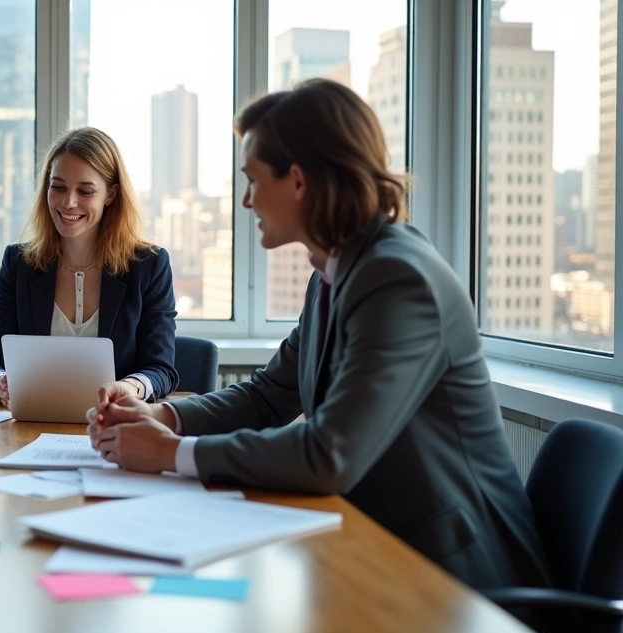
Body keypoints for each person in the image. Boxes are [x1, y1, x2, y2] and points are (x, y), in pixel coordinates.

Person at [88, 79, 551, 592]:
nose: (246, 201)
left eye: (253, 180)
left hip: (456, 576)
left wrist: (170, 453)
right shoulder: (333, 273)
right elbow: (270, 396)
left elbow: (330, 454)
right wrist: (163, 416)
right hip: (372, 546)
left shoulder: (399, 278)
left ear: (299, 182)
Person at [0, 127, 178, 407]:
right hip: (33, 424)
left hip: (115, 424)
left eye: (85, 191)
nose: (68, 202)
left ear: (110, 194)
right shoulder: (19, 263)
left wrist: (130, 387)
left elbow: (161, 369)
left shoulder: (149, 266)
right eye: (58, 187)